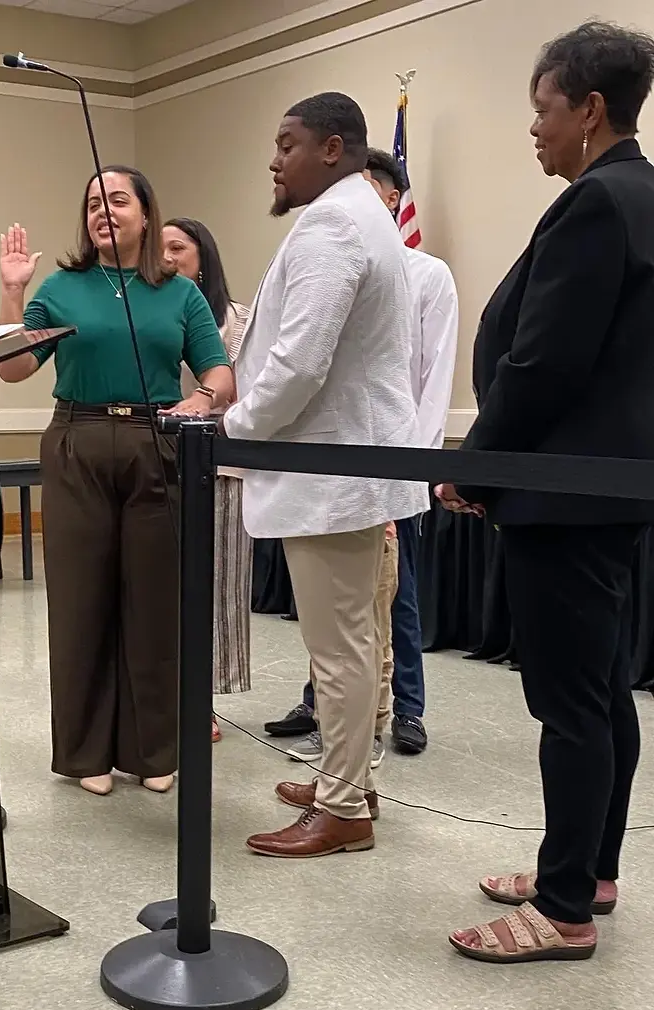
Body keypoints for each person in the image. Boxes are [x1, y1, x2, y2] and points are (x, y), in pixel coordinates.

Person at [441, 20, 654, 962]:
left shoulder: (598, 205)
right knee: (602, 693)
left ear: (590, 109)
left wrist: (475, 461)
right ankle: (591, 867)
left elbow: (543, 364)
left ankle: (564, 905)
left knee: (569, 705)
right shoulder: (641, 196)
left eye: (543, 110)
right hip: (605, 491)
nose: (535, 129)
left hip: (563, 495)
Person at [224, 92, 424, 859]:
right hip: (350, 471)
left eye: (287, 144)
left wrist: (233, 426)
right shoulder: (363, 214)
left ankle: (343, 807)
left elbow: (299, 362)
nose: (274, 160)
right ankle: (349, 779)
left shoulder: (335, 222)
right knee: (351, 642)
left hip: (331, 476)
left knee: (338, 649)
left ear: (333, 149)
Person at [0, 169, 233, 797]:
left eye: (118, 200)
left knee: (154, 604)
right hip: (77, 442)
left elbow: (219, 374)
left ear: (147, 214)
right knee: (80, 603)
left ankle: (153, 750)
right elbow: (16, 369)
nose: (104, 211)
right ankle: (84, 753)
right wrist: (14, 294)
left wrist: (200, 400)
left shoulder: (179, 294)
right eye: (94, 202)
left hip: (155, 445)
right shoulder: (62, 287)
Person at [271, 146, 459, 767]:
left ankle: (403, 712)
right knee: (344, 620)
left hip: (386, 460)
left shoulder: (426, 273)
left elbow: (429, 380)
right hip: (342, 461)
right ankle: (333, 740)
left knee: (386, 604)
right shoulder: (350, 250)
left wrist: (416, 466)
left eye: (379, 189)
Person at [162, 218, 252, 743]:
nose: (169, 257)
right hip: (159, 463)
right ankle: (165, 692)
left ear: (204, 257)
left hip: (221, 465)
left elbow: (244, 386)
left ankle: (205, 701)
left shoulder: (237, 321)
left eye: (180, 248)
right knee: (163, 586)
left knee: (218, 586)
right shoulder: (149, 311)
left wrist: (206, 398)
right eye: (163, 248)